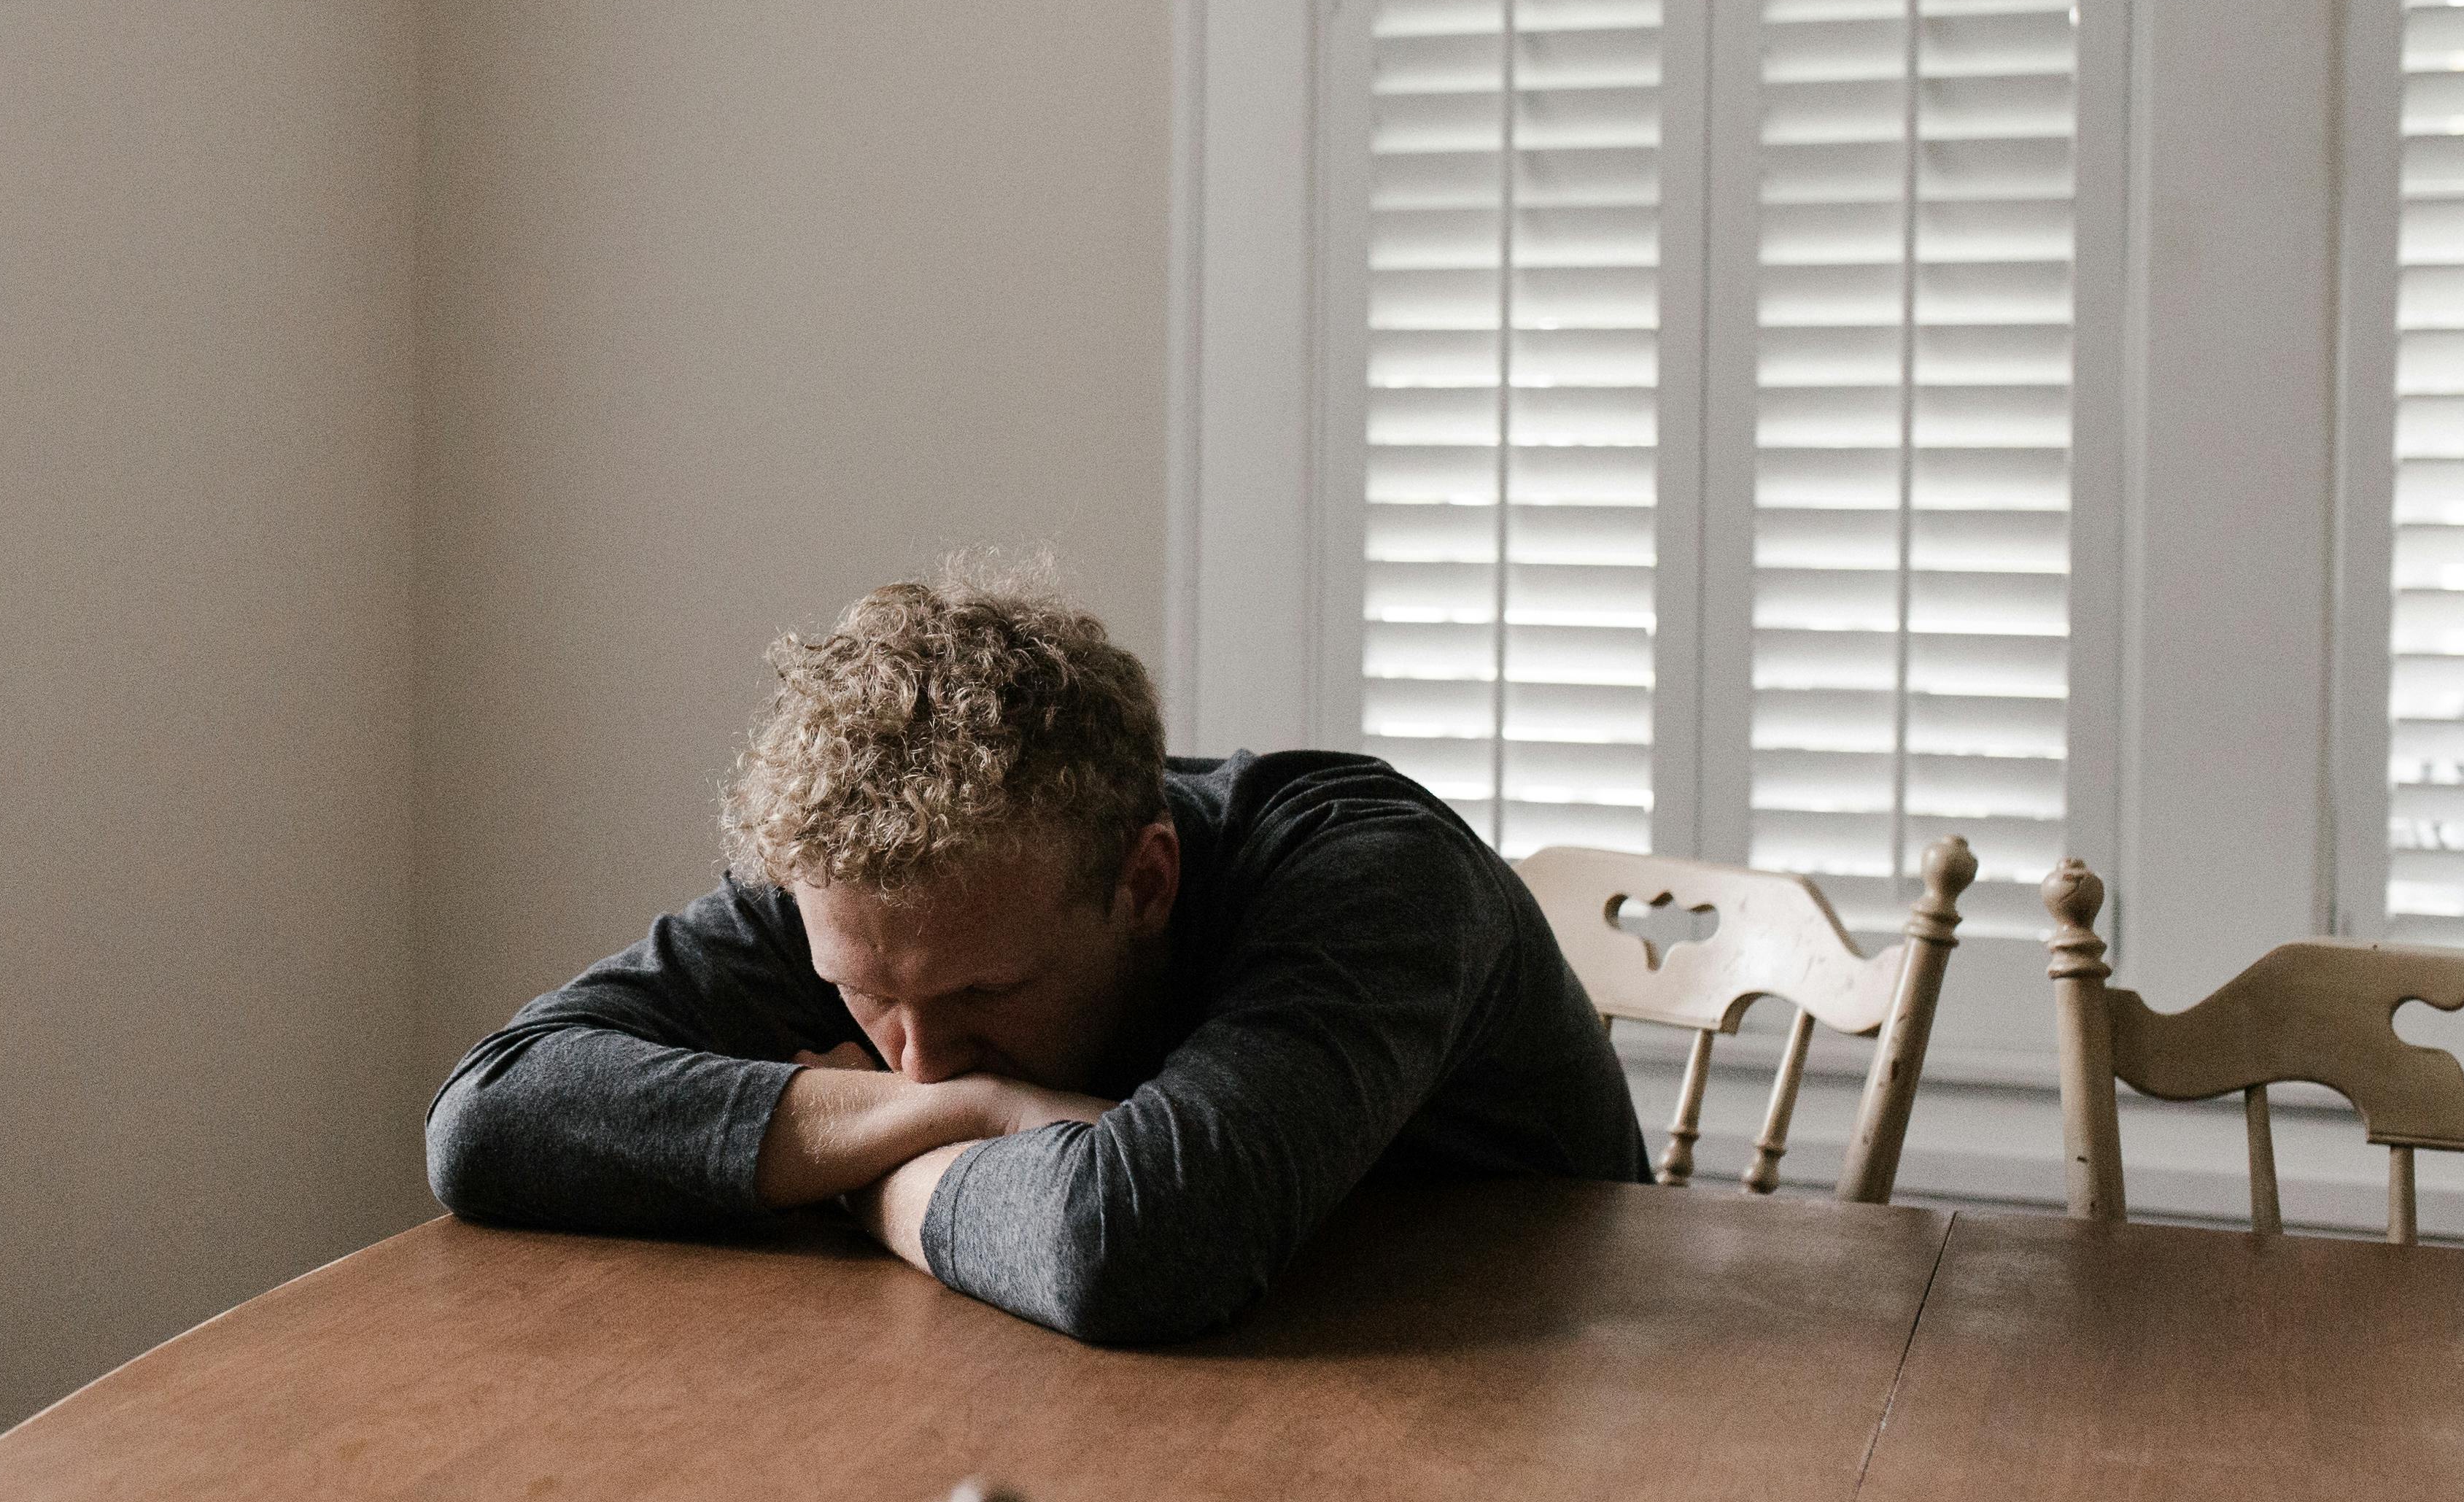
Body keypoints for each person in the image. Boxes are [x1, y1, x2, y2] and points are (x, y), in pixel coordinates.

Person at [424, 563, 1649, 1344]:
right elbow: (489, 1119)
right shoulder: (879, 890)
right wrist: (981, 1112)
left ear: (1146, 881)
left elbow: (1133, 1245)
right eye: (866, 998)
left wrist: (858, 1173)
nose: (919, 1060)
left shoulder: (1372, 876)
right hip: (1154, 1390)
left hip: (1563, 1400)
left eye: (985, 1001)